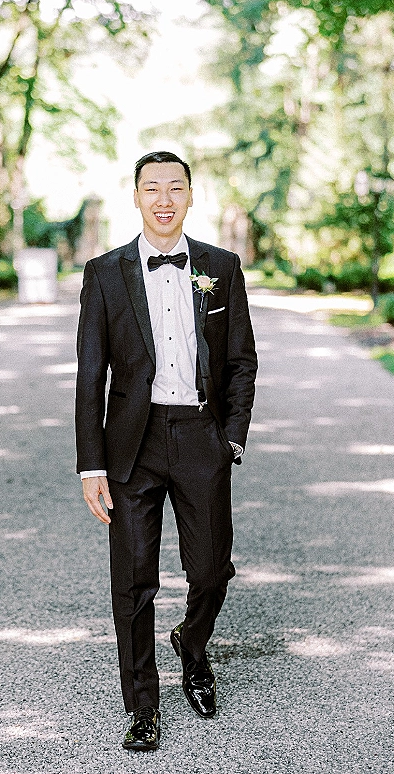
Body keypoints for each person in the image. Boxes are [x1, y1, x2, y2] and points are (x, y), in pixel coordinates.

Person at [75, 150, 257, 751]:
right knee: (132, 582)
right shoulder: (104, 273)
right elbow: (89, 375)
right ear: (136, 197)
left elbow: (240, 360)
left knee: (211, 570)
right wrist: (90, 462)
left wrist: (231, 436)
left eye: (174, 188)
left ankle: (193, 645)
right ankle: (142, 707)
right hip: (133, 442)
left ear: (189, 196)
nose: (163, 199)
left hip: (203, 437)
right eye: (152, 188)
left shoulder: (221, 268)